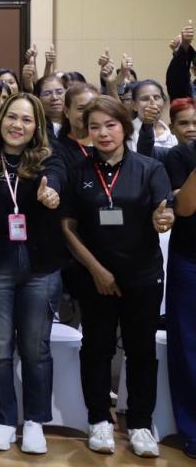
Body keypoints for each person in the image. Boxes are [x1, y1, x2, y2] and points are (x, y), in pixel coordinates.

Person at [60, 95, 172, 457]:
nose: (103, 133)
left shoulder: (149, 168)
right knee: (97, 348)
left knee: (141, 351)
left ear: (124, 127)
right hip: (94, 277)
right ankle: (99, 420)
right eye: (95, 127)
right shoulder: (78, 171)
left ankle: (140, 424)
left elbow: (163, 211)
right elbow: (67, 227)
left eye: (110, 125)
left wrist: (164, 219)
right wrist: (96, 270)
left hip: (143, 276)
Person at [0, 94, 66, 454]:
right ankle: (4, 420)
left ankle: (35, 421)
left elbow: (57, 181)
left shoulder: (50, 160)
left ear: (37, 126)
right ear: (0, 119)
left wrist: (51, 193)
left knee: (36, 349)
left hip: (41, 269)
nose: (17, 125)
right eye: (12, 117)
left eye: (26, 119)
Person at [163, 97, 196, 458]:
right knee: (187, 344)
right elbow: (184, 208)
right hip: (190, 259)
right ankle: (193, 431)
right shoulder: (181, 156)